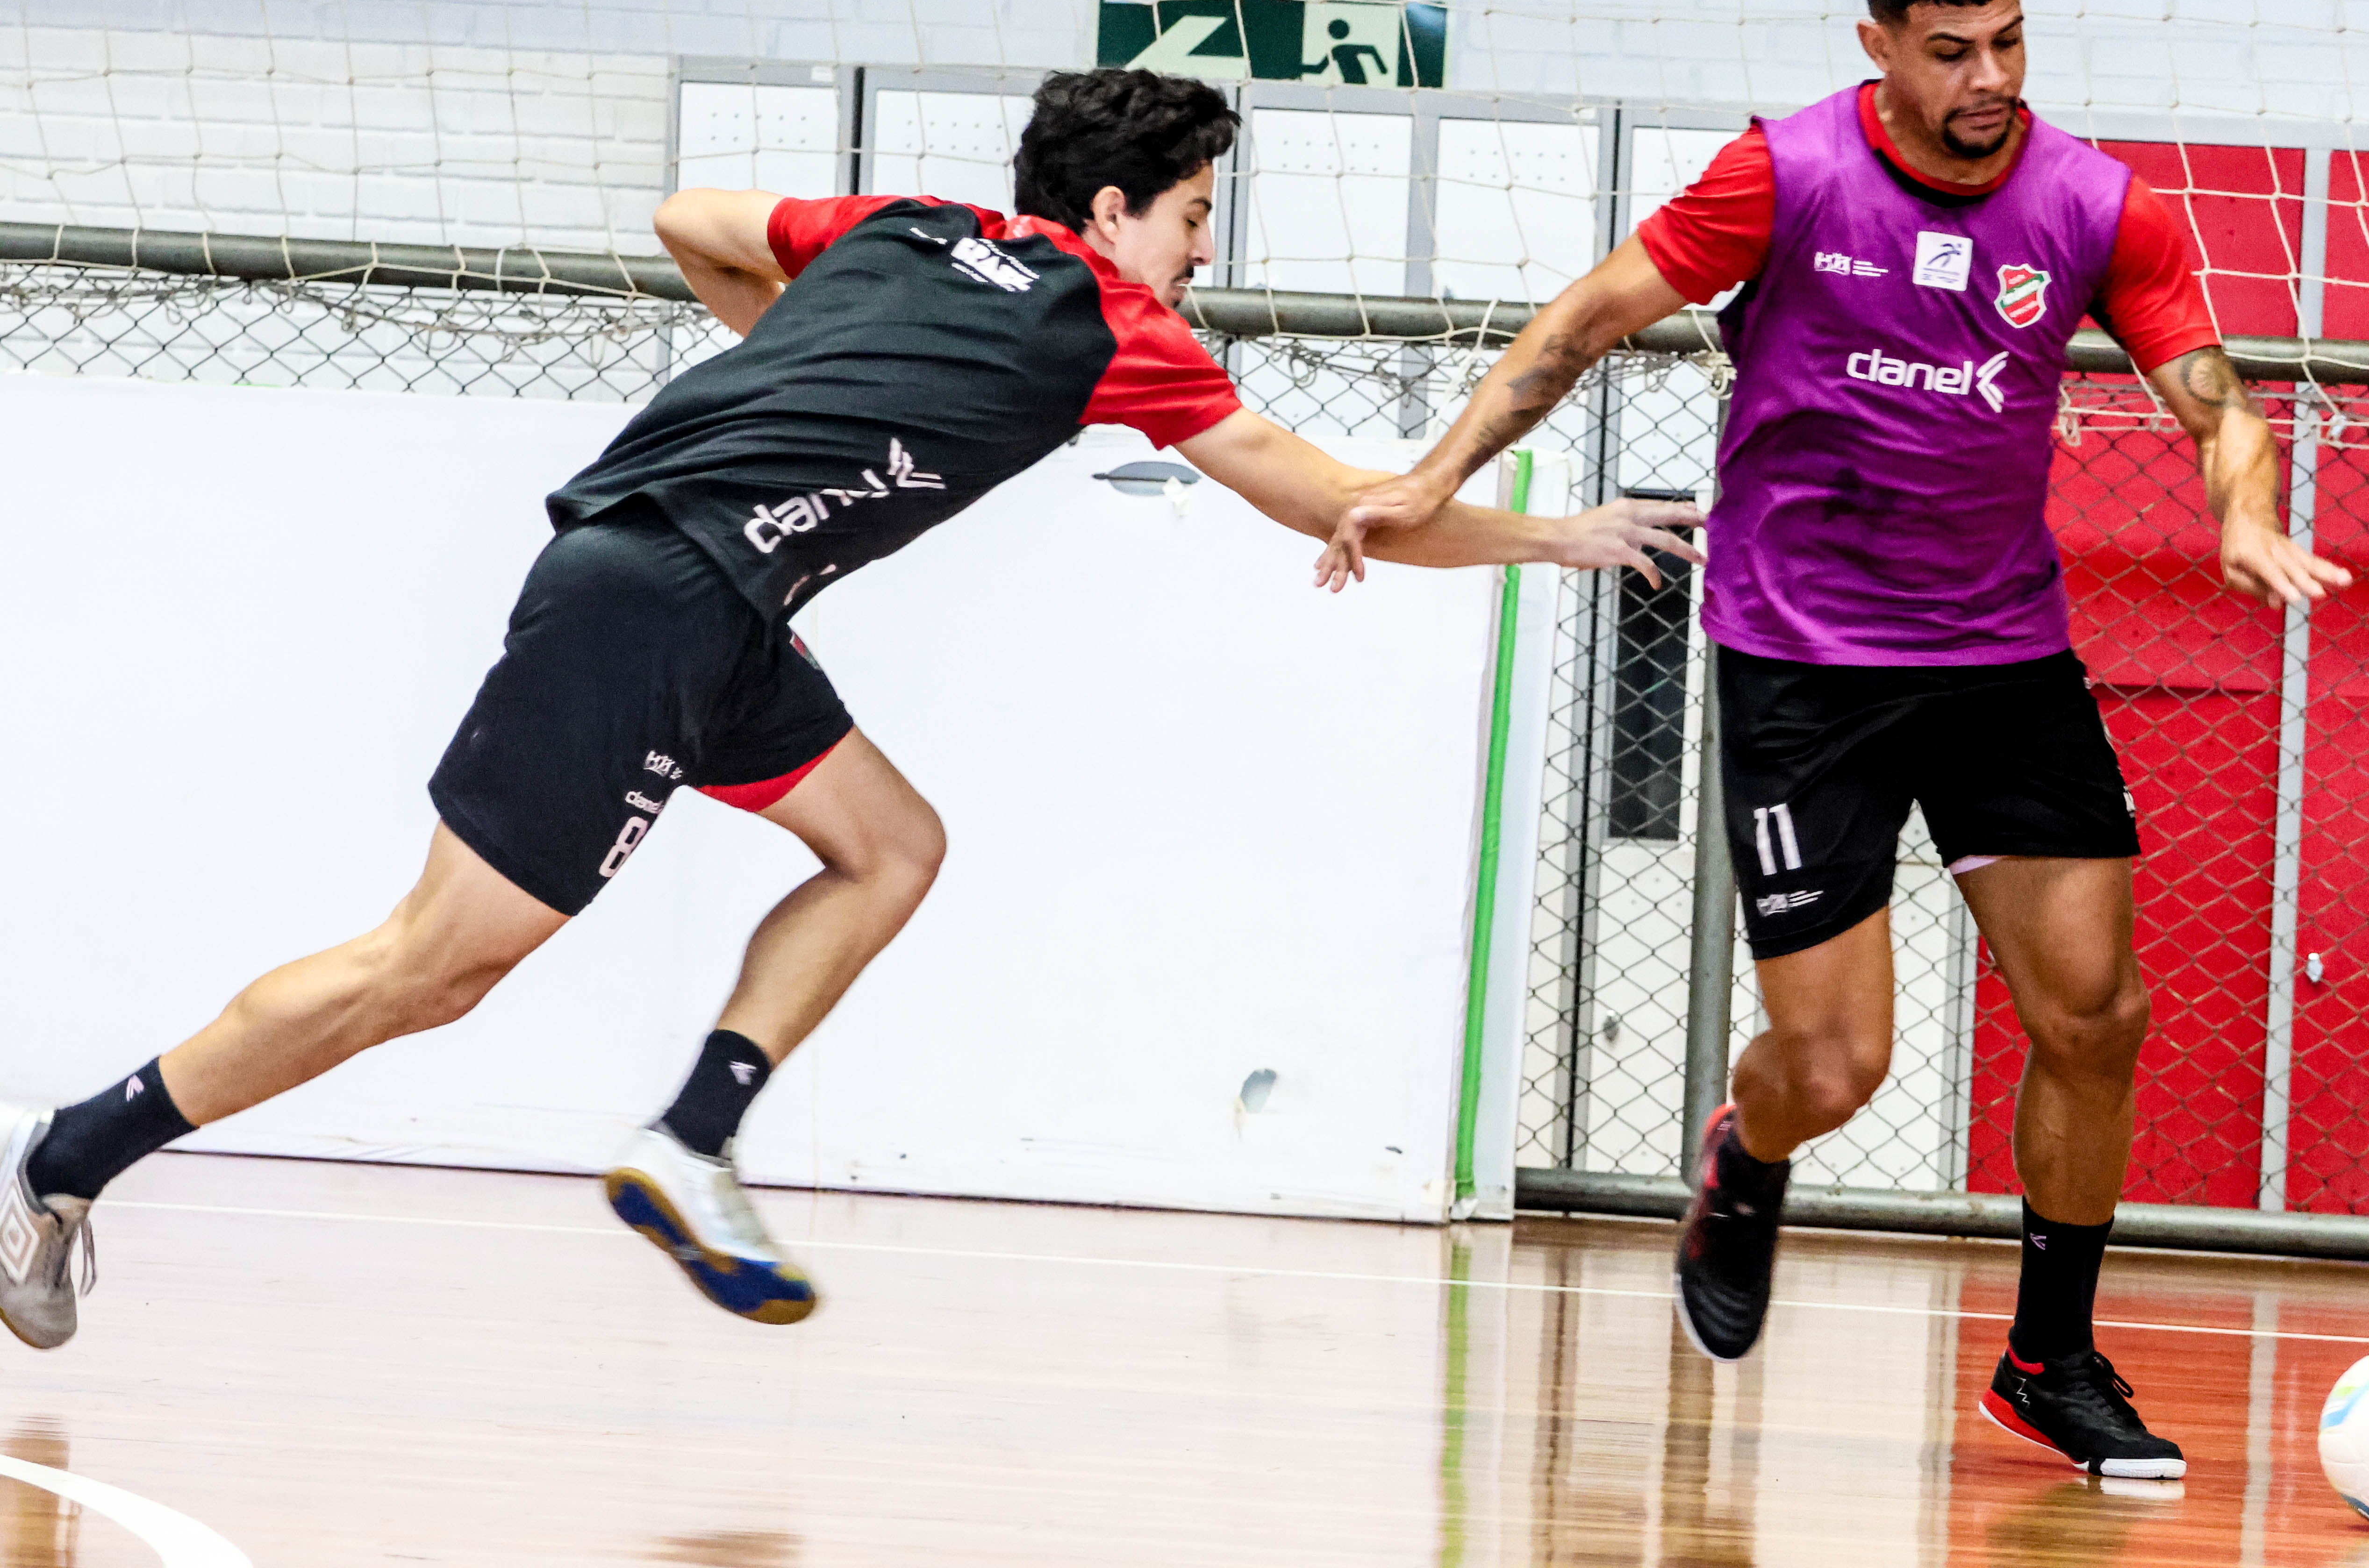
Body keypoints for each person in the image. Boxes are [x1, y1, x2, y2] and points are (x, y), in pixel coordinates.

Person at [0, 67, 1700, 1351]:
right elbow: (1347, 505)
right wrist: (1561, 532)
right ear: (1115, 212)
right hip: (658, 597)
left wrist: (795, 359)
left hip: (719, 599)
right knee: (430, 968)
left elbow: (691, 216)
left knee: (890, 846)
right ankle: (65, 1156)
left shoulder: (896, 229)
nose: (1202, 253)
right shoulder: (1111, 322)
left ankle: (694, 1140)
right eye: (1195, 218)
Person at [1323, 0, 2349, 1481]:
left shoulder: (2097, 205)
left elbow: (2213, 392)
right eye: (1951, 53)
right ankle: (1749, 1153)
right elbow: (1582, 323)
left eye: (2009, 42)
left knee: (2097, 1013)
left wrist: (2245, 508)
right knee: (1835, 1068)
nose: (1988, 79)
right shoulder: (1785, 175)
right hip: (1806, 661)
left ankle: (2051, 1360)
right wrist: (1431, 476)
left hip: (2001, 655)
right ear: (1879, 47)